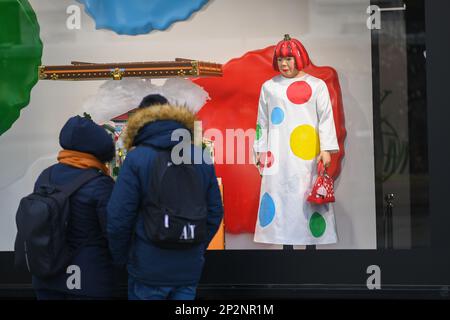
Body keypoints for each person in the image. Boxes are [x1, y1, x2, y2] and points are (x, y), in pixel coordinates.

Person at [107, 94, 223, 300]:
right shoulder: (200, 157)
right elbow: (215, 212)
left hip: (147, 267)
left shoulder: (137, 158)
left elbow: (119, 217)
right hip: (188, 269)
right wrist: (195, 246)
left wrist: (123, 259)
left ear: (139, 121)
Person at [253, 35, 340, 246]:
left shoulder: (317, 85)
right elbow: (262, 122)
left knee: (307, 201)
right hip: (278, 154)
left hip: (307, 156)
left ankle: (311, 251)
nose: (284, 64)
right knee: (281, 200)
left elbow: (325, 117)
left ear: (299, 58)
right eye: (281, 59)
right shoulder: (269, 87)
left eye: (289, 59)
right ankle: (287, 251)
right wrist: (260, 151)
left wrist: (327, 148)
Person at [31, 115, 117, 299]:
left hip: (46, 275)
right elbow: (114, 232)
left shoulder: (45, 176)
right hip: (89, 280)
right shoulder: (100, 183)